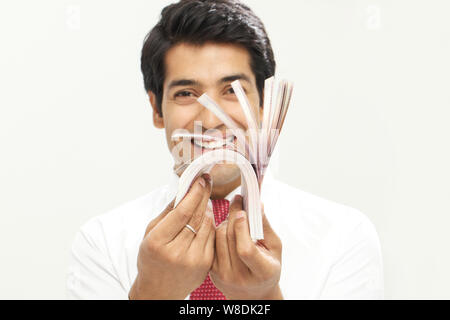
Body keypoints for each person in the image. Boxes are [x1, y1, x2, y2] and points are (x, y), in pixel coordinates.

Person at [66, 0, 384, 300]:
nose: (210, 119)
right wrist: (152, 292)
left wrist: (262, 299)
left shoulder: (342, 236)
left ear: (264, 104)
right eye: (187, 93)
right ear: (157, 109)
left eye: (233, 91)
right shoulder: (102, 242)